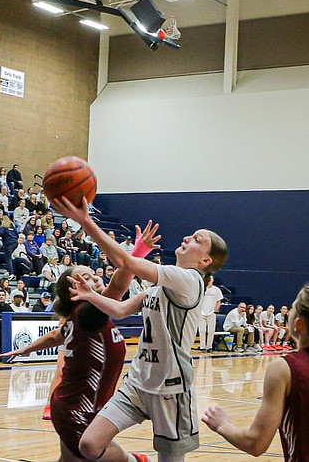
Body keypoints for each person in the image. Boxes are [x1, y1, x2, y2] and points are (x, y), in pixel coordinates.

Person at [51, 195, 228, 462]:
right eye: (190, 234)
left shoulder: (190, 280)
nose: (187, 238)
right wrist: (91, 296)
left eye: (197, 239)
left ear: (205, 261)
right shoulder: (161, 286)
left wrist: (86, 222)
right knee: (89, 444)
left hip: (170, 388)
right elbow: (120, 310)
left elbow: (129, 264)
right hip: (137, 383)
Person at [1, 266, 127, 461]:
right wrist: (136, 255)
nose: (96, 277)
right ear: (74, 290)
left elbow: (55, 336)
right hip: (77, 411)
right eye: (87, 277)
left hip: (72, 404)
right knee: (103, 454)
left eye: (94, 274)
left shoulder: (80, 314)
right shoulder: (89, 312)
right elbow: (119, 284)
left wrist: (25, 349)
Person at [202, 283, 309, 461]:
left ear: (298, 324)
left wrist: (223, 425)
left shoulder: (285, 368)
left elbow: (256, 443)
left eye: (292, 308)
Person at [198, 275, 223, 353]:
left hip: (211, 312)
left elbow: (219, 301)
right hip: (201, 312)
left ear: (212, 280)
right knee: (202, 330)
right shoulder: (201, 288)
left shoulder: (216, 290)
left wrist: (215, 310)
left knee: (211, 331)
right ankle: (202, 346)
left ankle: (209, 347)